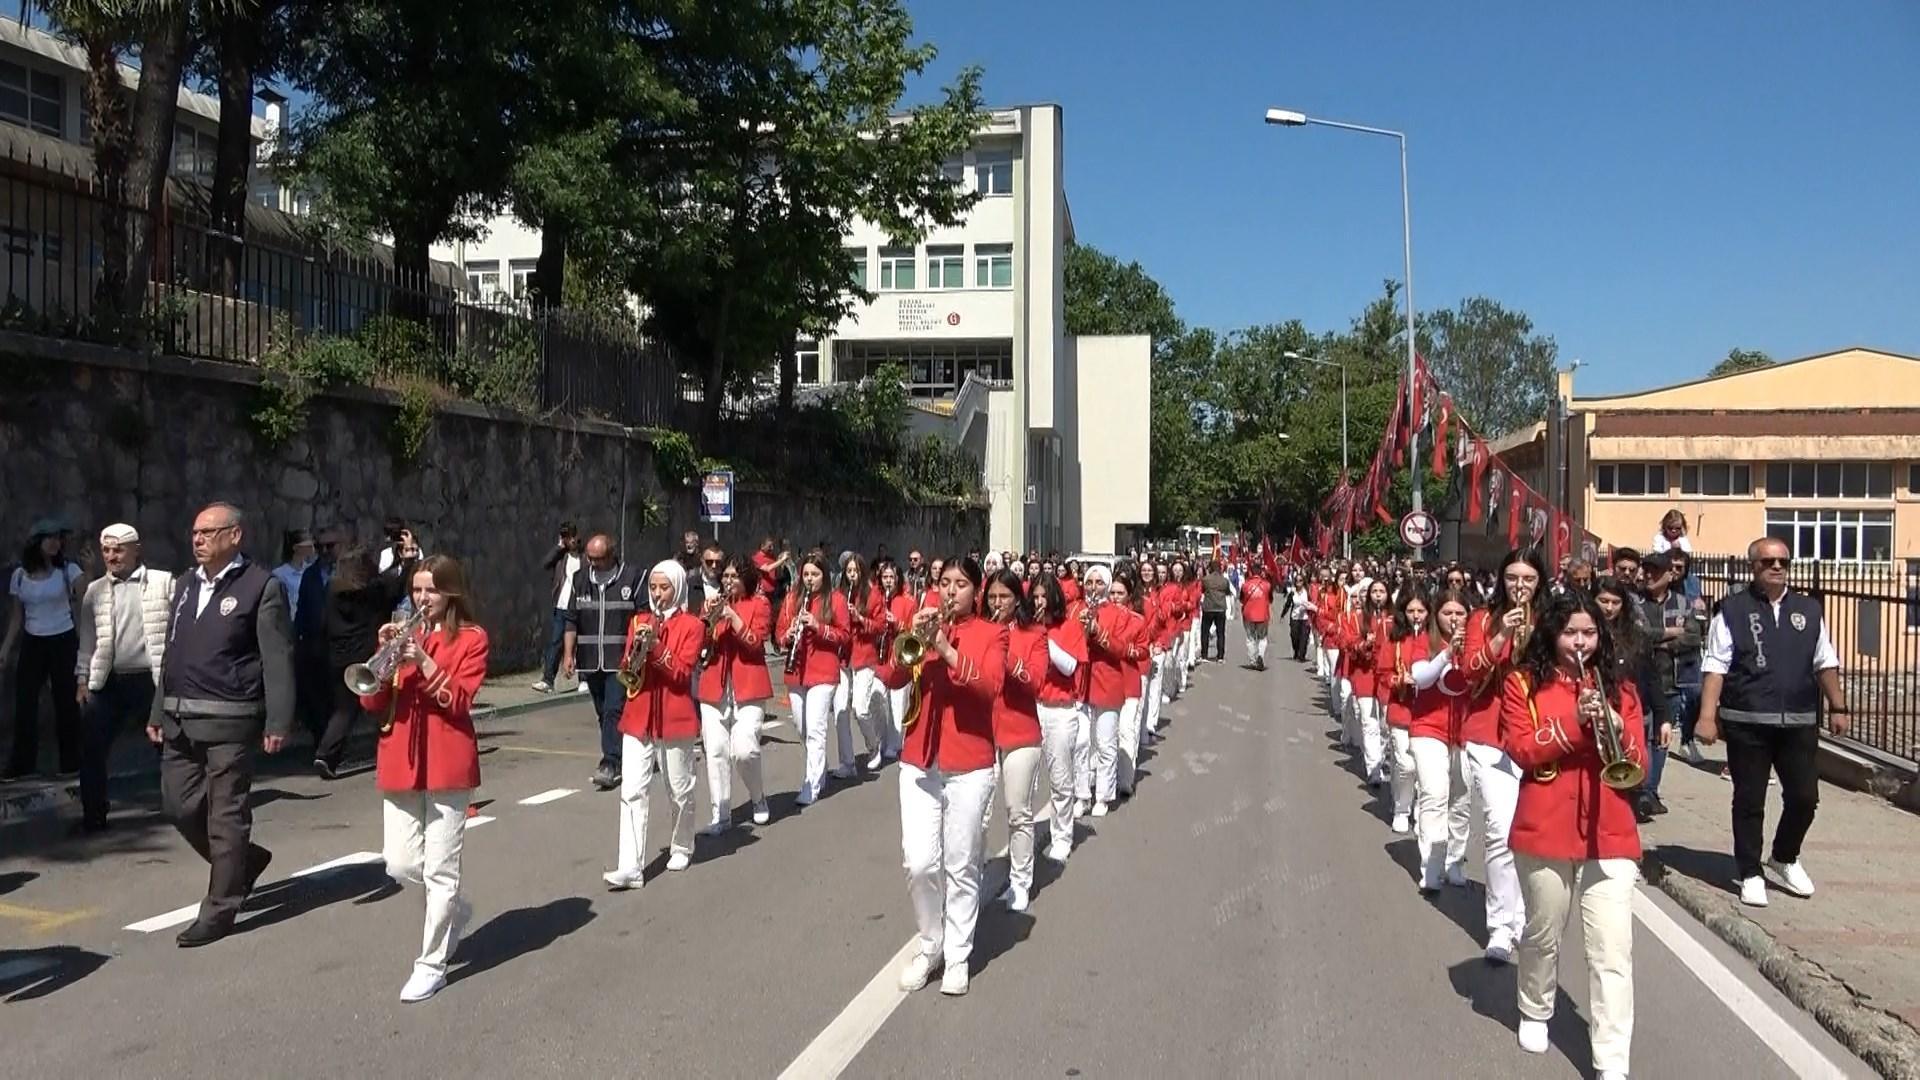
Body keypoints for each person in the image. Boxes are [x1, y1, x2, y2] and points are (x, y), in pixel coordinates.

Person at [1501, 591, 1646, 1080]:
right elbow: (1521, 749)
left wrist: (1615, 727)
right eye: (1570, 633)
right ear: (1552, 634)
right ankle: (1535, 1007)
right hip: (1546, 825)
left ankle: (1612, 1060)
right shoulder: (1523, 684)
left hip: (1610, 830)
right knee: (1543, 932)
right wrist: (1575, 722)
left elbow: (1639, 764)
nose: (1581, 642)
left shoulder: (1622, 689)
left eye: (1589, 633)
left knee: (1612, 950)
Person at [152, 503, 295, 947]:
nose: (198, 540)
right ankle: (244, 862)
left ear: (235, 536)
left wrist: (278, 719)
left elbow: (277, 657)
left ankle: (219, 908)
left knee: (225, 815)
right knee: (178, 805)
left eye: (208, 532)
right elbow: (172, 652)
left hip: (231, 719)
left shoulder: (261, 586)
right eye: (195, 533)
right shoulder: (184, 585)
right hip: (179, 717)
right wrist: (158, 709)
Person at [359, 555, 488, 1003]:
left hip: (448, 761)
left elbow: (460, 701)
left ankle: (431, 964)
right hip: (402, 758)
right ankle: (454, 908)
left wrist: (426, 662)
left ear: (450, 591)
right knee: (399, 862)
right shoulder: (404, 635)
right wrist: (381, 661)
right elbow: (372, 703)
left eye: (431, 589)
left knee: (441, 870)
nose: (422, 598)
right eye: (416, 589)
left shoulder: (472, 638)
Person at [1695, 537, 1846, 908]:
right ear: (1754, 567)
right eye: (1768, 562)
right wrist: (1707, 717)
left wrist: (1838, 705)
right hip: (1747, 721)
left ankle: (1784, 856)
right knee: (1750, 799)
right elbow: (1716, 665)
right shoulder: (1732, 610)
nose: (1776, 567)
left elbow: (1824, 661)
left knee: (1804, 797)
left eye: (1783, 562)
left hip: (1798, 720)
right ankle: (1750, 871)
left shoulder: (1809, 609)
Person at [881, 556, 1006, 997]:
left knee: (960, 863)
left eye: (961, 584)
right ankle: (930, 943)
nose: (951, 591)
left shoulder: (992, 633)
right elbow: (891, 676)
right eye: (945, 583)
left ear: (976, 591)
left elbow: (989, 688)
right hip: (919, 760)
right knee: (918, 863)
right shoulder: (923, 625)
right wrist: (912, 635)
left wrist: (947, 650)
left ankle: (957, 955)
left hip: (969, 763)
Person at [1459, 546, 1549, 965]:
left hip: (1536, 734)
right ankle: (1500, 925)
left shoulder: (1551, 620)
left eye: (1528, 579)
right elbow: (1469, 672)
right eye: (1513, 578)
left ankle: (1523, 916)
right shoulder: (1482, 619)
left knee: (1530, 835)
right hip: (1488, 735)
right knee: (1499, 827)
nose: (1520, 586)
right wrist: (1501, 636)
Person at [603, 559, 704, 889]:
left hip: (675, 716)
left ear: (678, 589)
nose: (658, 594)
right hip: (639, 715)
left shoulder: (692, 625)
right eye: (654, 587)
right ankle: (630, 866)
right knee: (632, 790)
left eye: (665, 588)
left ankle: (682, 845)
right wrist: (635, 652)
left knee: (679, 788)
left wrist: (656, 647)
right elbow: (626, 666)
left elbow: (682, 674)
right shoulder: (639, 621)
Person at [71, 524, 173, 832]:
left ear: (135, 550)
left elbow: (178, 631)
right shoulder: (95, 591)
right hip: (110, 681)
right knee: (91, 747)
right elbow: (87, 639)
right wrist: (82, 679)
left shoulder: (162, 582)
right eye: (106, 550)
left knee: (169, 746)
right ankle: (94, 814)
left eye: (118, 550)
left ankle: (182, 807)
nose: (111, 556)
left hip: (152, 680)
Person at [1390, 589, 1470, 892]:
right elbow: (1421, 678)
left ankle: (1454, 861)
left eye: (1460, 613)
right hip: (1428, 728)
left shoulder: (1475, 643)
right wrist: (1447, 654)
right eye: (1447, 613)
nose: (1453, 619)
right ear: (1437, 615)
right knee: (1434, 794)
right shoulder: (1425, 640)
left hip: (1463, 732)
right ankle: (1431, 867)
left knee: (1461, 799)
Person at [315, 543, 416, 777]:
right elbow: (395, 588)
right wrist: (407, 563)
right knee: (360, 706)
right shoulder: (372, 591)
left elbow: (323, 623)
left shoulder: (332, 590)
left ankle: (328, 751)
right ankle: (327, 754)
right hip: (363, 655)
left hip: (337, 655)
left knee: (342, 707)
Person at [559, 534, 645, 791]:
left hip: (620, 660)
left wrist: (637, 656)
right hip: (589, 660)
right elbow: (571, 620)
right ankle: (621, 753)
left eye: (599, 558)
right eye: (590, 558)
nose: (594, 563)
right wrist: (568, 655)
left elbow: (643, 619)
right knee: (603, 713)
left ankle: (610, 762)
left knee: (613, 710)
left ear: (612, 555)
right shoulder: (580, 579)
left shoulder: (632, 577)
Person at [4, 519, 87, 779]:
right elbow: (17, 616)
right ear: (36, 542)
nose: (54, 543)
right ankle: (22, 764)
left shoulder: (68, 570)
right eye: (48, 538)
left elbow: (87, 597)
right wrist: (5, 648)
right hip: (33, 641)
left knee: (66, 702)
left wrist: (91, 570)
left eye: (57, 538)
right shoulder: (20, 575)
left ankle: (71, 762)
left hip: (62, 638)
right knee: (25, 702)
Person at [695, 555, 772, 832]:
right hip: (714, 684)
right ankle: (721, 814)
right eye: (725, 576)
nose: (728, 581)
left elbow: (756, 643)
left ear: (745, 578)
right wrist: (706, 619)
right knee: (715, 751)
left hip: (749, 684)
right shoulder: (711, 603)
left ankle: (758, 797)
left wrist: (733, 617)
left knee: (744, 749)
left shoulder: (760, 604)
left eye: (734, 576)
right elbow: (699, 643)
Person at [986, 569, 1045, 912]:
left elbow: (1035, 681)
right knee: (977, 813)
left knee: (1017, 810)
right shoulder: (980, 629)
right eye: (992, 597)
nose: (997, 603)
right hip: (982, 730)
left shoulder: (1034, 634)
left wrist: (1004, 652)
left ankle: (1020, 881)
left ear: (1017, 599)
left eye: (1004, 597)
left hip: (1020, 731)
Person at [1593, 575, 1673, 824]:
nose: (1609, 608)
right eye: (1603, 601)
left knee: (1634, 771)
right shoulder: (1584, 634)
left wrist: (1664, 717)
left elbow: (1652, 677)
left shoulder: (1636, 636)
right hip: (1597, 714)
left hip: (1633, 712)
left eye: (1615, 602)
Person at [778, 552, 851, 805]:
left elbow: (845, 636)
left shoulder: (836, 600)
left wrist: (818, 627)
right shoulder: (791, 599)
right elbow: (778, 635)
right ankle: (820, 765)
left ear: (824, 576)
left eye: (815, 574)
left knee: (816, 728)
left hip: (823, 671)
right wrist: (787, 635)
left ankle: (812, 784)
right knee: (803, 727)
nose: (809, 579)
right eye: (806, 574)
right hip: (796, 671)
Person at [1028, 573, 1086, 862]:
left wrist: (1043, 637)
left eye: (1044, 596)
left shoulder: (1069, 626)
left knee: (1061, 778)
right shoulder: (1026, 628)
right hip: (1031, 709)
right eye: (1035, 597)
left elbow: (1069, 667)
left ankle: (1062, 836)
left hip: (1060, 711)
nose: (1040, 602)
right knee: (1027, 779)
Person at [835, 554, 887, 774]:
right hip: (844, 656)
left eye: (855, 571)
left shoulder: (874, 595)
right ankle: (847, 763)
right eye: (849, 571)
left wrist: (860, 618)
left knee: (860, 708)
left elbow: (881, 626)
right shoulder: (840, 594)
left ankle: (874, 747)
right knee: (840, 710)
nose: (852, 575)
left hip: (864, 656)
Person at [294, 526, 346, 743]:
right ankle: (321, 744)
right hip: (315, 649)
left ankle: (333, 747)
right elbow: (302, 610)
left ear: (340, 546)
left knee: (340, 706)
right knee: (316, 703)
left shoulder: (349, 573)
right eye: (319, 546)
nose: (324, 551)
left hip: (343, 649)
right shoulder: (310, 574)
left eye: (330, 546)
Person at [1342, 579, 1392, 789]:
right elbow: (1348, 643)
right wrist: (1364, 644)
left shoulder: (1394, 619)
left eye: (1382, 591)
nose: (1378, 595)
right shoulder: (1357, 618)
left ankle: (1382, 757)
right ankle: (1374, 769)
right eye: (1374, 591)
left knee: (1386, 725)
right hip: (1365, 675)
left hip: (1388, 677)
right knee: (1369, 723)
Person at [532, 522, 581, 692]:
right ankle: (548, 680)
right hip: (561, 604)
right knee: (555, 642)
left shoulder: (585, 556)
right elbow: (545, 564)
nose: (571, 540)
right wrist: (559, 547)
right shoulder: (561, 556)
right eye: (567, 537)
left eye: (573, 536)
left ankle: (584, 679)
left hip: (579, 605)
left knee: (582, 642)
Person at [271, 530, 315, 626]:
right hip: (291, 622)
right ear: (295, 548)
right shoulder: (280, 574)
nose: (311, 548)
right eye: (307, 545)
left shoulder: (311, 570)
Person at [1238, 564, 1273, 670]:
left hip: (1248, 615)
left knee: (1250, 638)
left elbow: (1241, 599)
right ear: (1261, 572)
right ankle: (1260, 655)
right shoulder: (1267, 585)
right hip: (1262, 615)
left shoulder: (1245, 585)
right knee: (1262, 638)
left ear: (1251, 573)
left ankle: (1253, 660)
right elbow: (1271, 599)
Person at [1199, 559, 1231, 663]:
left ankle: (1204, 655)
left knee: (1205, 632)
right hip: (1220, 608)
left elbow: (1202, 590)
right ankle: (1220, 656)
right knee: (1220, 633)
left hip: (1208, 608)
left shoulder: (1206, 580)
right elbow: (1227, 592)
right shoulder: (1224, 580)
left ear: (1210, 568)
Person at [1286, 571, 1312, 663]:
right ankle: (1296, 651)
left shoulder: (1307, 592)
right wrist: (1282, 615)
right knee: (1294, 636)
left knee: (1304, 637)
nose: (1298, 582)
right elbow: (1288, 604)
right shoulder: (1292, 592)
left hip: (1305, 618)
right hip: (1295, 618)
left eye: (1300, 580)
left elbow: (1312, 603)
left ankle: (1302, 655)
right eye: (1297, 580)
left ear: (1303, 582)